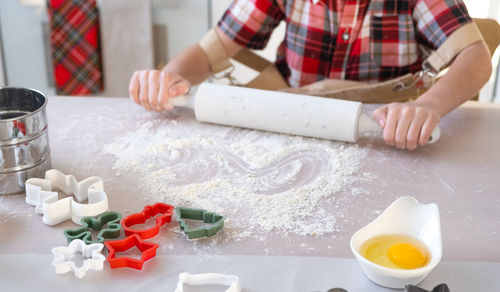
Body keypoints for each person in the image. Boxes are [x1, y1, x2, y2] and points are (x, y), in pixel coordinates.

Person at [129, 0, 492, 150]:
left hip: (384, 134)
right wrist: (171, 78)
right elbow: (211, 51)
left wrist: (427, 106)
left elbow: (476, 59)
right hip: (298, 121)